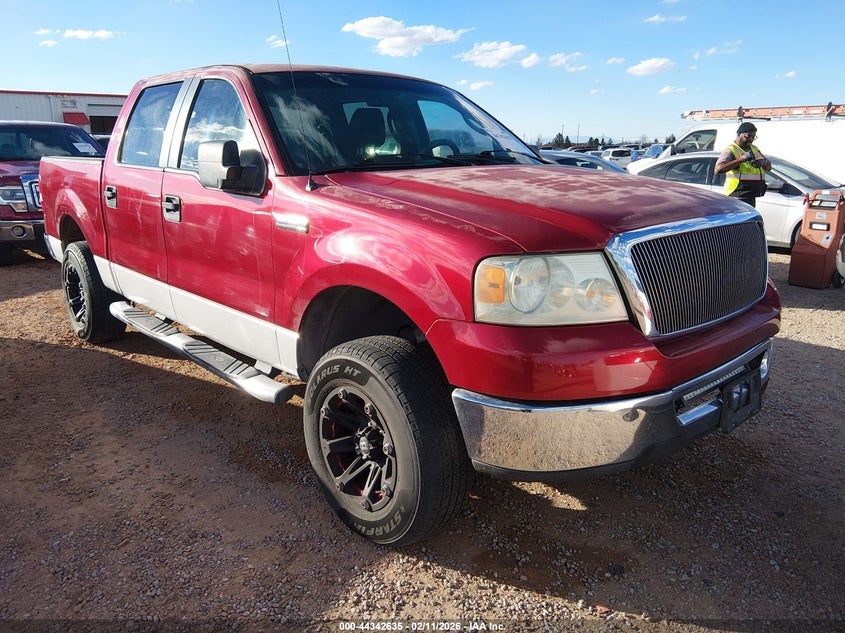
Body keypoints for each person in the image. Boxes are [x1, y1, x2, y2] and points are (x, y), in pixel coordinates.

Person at [714, 122, 772, 207]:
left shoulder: (754, 148)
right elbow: (718, 169)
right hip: (737, 196)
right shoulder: (730, 150)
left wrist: (764, 162)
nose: (751, 139)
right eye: (748, 136)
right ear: (739, 134)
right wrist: (741, 159)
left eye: (753, 137)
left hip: (751, 196)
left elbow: (769, 167)